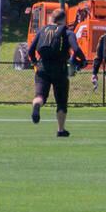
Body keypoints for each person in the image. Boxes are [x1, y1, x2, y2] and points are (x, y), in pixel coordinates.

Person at [28, 8, 86, 137]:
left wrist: (34, 61)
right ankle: (60, 130)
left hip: (42, 67)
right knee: (61, 101)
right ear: (64, 19)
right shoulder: (66, 31)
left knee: (40, 95)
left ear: (52, 19)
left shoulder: (42, 30)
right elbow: (76, 48)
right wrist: (82, 60)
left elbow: (31, 49)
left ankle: (37, 106)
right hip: (59, 68)